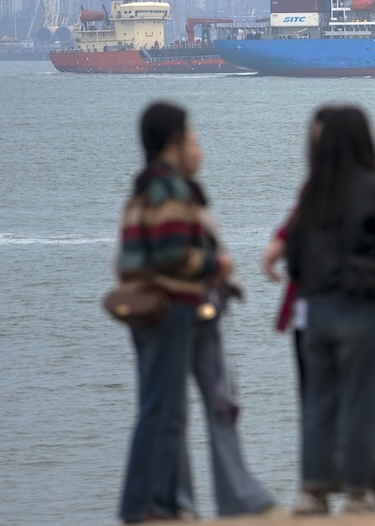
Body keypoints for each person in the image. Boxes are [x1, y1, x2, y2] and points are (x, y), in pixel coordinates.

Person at [115, 102, 231, 524]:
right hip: (171, 308)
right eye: (190, 133)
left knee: (162, 409)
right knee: (161, 411)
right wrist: (215, 266)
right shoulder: (169, 189)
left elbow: (126, 260)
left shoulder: (142, 187)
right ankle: (139, 506)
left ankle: (162, 504)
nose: (193, 141)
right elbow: (171, 253)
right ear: (173, 140)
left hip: (144, 309)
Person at [286, 106, 375, 515]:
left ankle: (311, 491)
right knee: (361, 401)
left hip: (315, 308)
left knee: (318, 402)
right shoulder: (373, 187)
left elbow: (294, 253)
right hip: (360, 306)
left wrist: (314, 284)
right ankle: (357, 491)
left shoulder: (313, 189)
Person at [174, 127, 277, 518]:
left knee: (214, 405)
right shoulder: (167, 197)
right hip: (181, 317)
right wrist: (216, 266)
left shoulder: (184, 194)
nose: (201, 150)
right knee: (192, 408)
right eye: (194, 142)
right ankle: (193, 500)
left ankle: (226, 497)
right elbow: (158, 257)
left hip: (202, 315)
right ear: (172, 146)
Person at [261, 107, 336, 406]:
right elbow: (297, 220)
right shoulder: (314, 187)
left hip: (346, 308)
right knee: (315, 403)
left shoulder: (365, 188)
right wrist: (278, 246)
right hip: (311, 307)